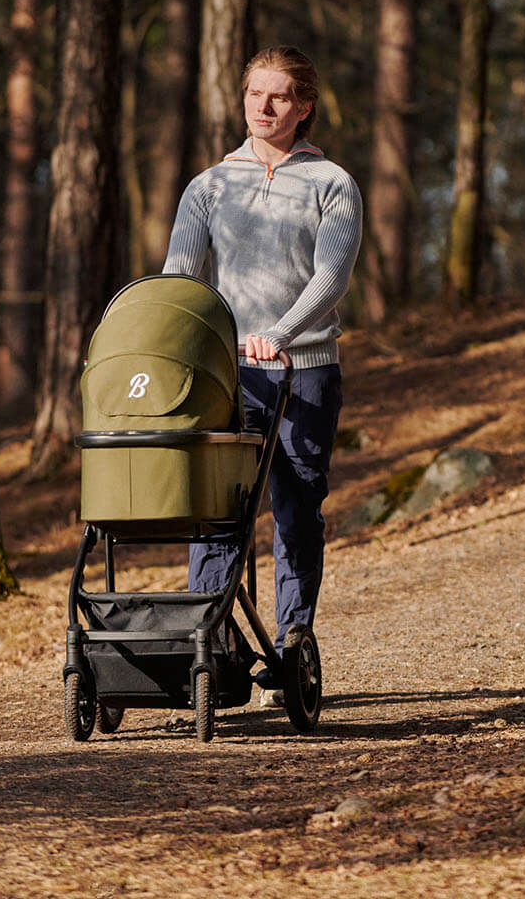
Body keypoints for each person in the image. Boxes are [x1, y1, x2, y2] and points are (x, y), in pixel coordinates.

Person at [163, 45, 362, 689]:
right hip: (228, 379)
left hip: (305, 373)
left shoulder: (332, 183)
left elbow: (331, 277)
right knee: (218, 512)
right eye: (255, 93)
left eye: (279, 96)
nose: (264, 107)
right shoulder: (210, 185)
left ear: (303, 107)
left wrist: (278, 335)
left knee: (297, 506)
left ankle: (293, 634)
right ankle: (212, 644)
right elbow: (180, 280)